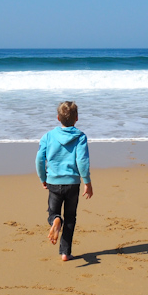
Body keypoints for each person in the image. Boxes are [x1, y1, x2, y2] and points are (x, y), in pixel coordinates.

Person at [36, 101, 93, 261]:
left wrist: (43, 177)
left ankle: (55, 220)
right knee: (71, 217)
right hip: (73, 183)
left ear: (57, 118)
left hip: (53, 181)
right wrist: (87, 182)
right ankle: (65, 252)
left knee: (53, 212)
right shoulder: (80, 137)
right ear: (76, 118)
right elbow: (82, 161)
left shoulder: (48, 136)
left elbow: (39, 159)